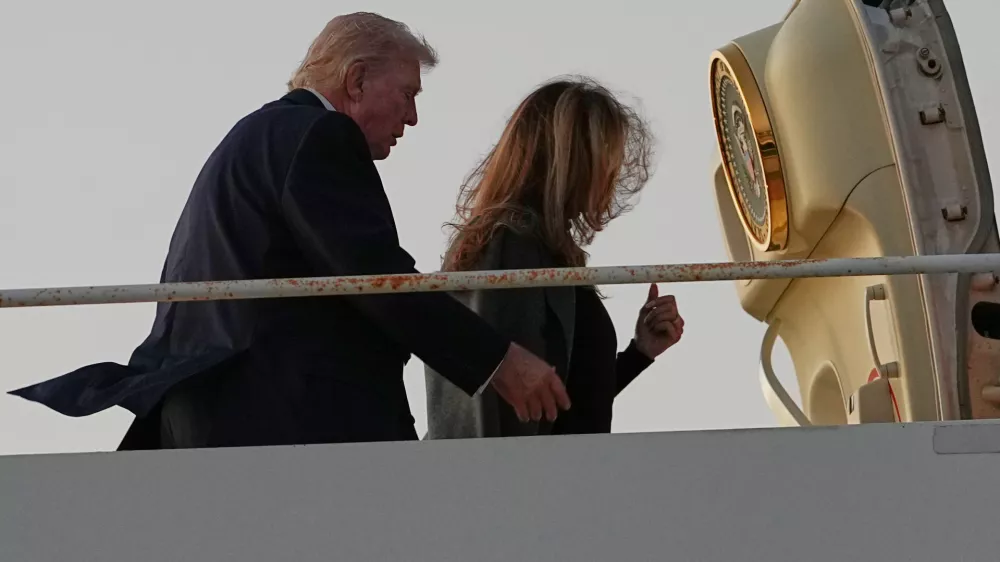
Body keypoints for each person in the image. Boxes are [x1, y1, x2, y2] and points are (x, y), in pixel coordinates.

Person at [9, 12, 570, 449]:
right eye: (408, 94)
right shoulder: (318, 135)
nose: (413, 118)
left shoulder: (257, 135)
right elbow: (374, 275)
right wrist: (499, 359)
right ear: (356, 80)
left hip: (209, 409)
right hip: (283, 417)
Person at [424, 77, 684, 439]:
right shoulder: (512, 244)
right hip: (527, 484)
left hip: (543, 480)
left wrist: (639, 353)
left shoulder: (529, 246)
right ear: (571, 161)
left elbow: (559, 402)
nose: (612, 171)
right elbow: (506, 411)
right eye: (605, 155)